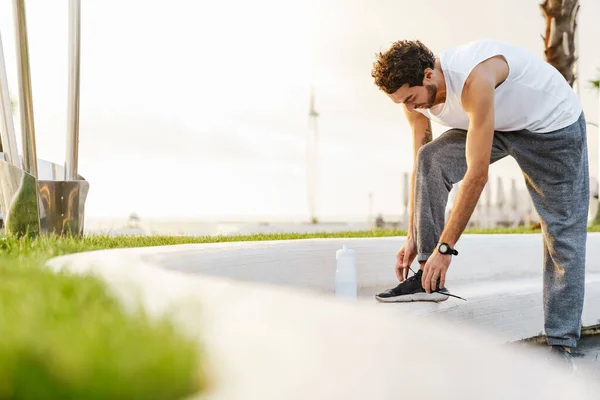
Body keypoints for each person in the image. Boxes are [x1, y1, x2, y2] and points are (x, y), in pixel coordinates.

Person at [370, 39, 588, 370]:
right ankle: (429, 281)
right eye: (403, 103)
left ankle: (562, 347)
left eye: (412, 99)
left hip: (552, 130)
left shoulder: (476, 78)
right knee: (432, 158)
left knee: (562, 232)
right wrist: (415, 235)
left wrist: (447, 249)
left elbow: (477, 176)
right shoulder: (411, 97)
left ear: (428, 75)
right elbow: (422, 164)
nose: (411, 108)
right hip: (497, 125)